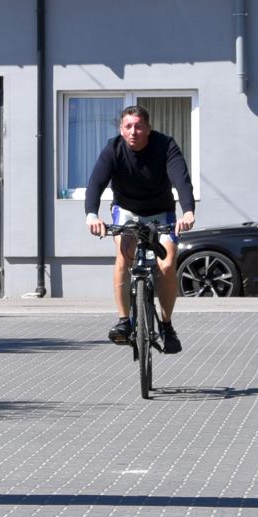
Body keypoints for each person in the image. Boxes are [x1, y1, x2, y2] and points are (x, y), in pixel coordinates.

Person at [84, 105, 196, 354]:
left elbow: (181, 179)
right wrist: (91, 215)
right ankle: (124, 321)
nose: (133, 131)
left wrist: (188, 211)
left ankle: (166, 326)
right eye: (128, 126)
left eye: (138, 126)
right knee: (123, 258)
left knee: (167, 265)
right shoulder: (113, 149)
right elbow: (96, 183)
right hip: (127, 211)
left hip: (161, 212)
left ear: (148, 128)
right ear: (121, 129)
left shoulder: (165, 145)